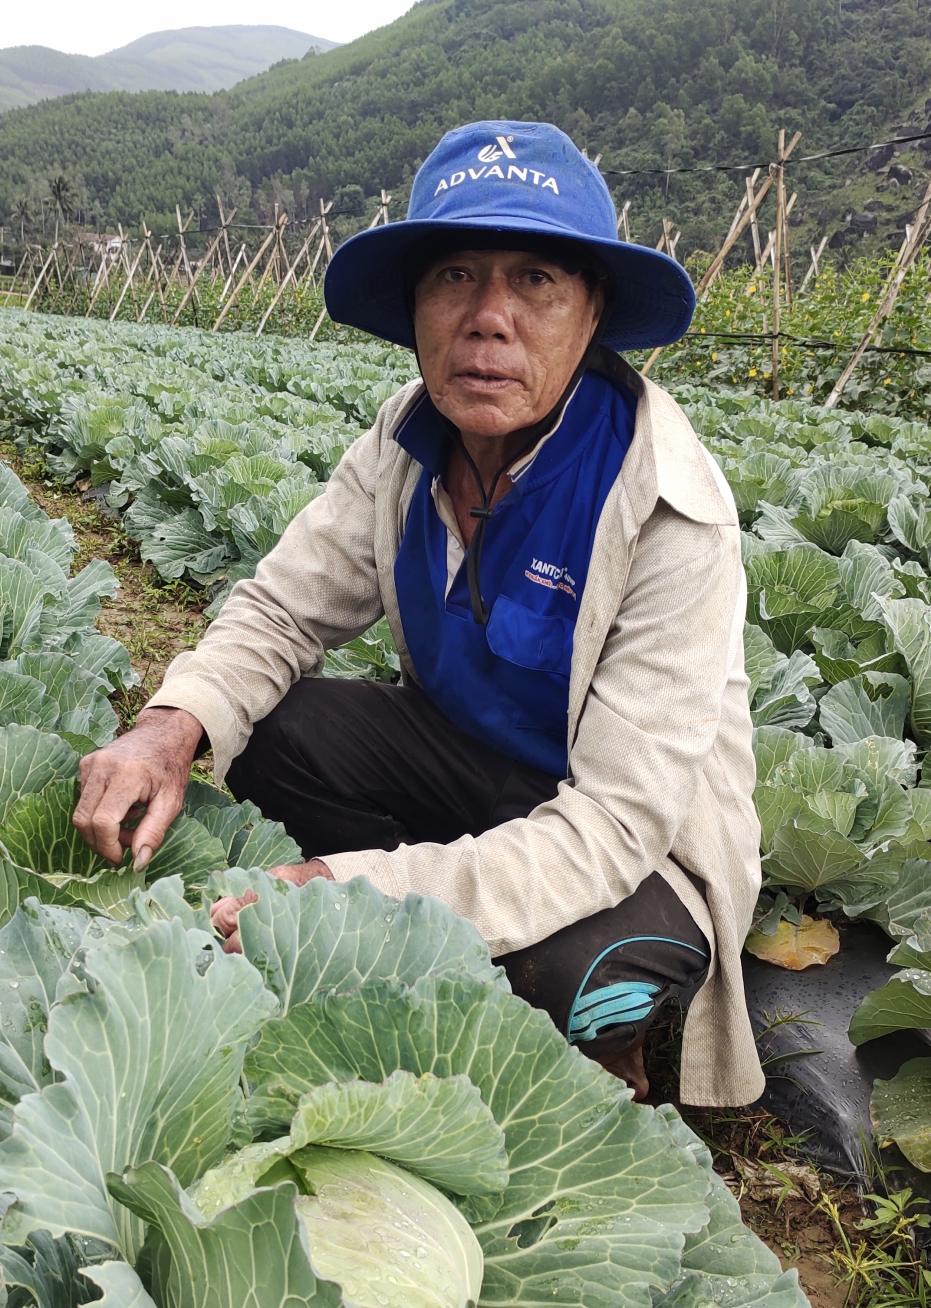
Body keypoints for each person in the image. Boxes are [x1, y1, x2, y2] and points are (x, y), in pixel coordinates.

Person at [71, 119, 762, 1107]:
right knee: (273, 729)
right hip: (472, 774)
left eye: (534, 281)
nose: (488, 319)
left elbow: (609, 826)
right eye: (455, 278)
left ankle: (605, 1056)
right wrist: (166, 729)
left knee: (571, 978)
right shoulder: (404, 443)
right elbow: (279, 611)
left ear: (591, 313)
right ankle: (421, 956)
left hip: (632, 844)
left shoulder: (663, 505)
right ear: (414, 306)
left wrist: (360, 893)